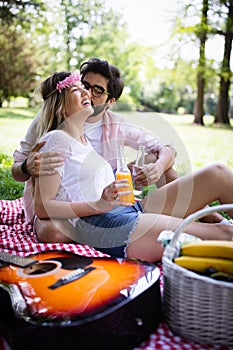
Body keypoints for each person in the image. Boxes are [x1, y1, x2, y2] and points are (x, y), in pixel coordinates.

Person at [32, 71, 233, 263]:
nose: (86, 92)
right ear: (61, 106)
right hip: (105, 226)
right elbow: (43, 207)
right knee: (225, 235)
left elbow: (81, 185)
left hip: (128, 209)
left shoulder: (84, 142)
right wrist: (99, 205)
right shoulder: (57, 140)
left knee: (218, 173)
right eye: (76, 90)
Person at [12, 58, 183, 240]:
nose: (89, 94)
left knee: (161, 162)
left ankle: (204, 215)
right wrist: (26, 167)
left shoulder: (116, 124)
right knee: (50, 230)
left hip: (105, 184)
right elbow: (17, 170)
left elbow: (168, 148)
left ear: (110, 101)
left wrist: (156, 168)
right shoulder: (53, 123)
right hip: (68, 200)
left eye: (98, 90)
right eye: (84, 86)